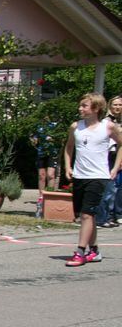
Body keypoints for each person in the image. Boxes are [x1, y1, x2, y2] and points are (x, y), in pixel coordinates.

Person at [63, 94, 122, 267]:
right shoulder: (76, 127)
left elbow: (121, 144)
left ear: (96, 109)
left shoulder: (108, 126)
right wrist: (68, 166)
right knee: (85, 215)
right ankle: (94, 250)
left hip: (98, 176)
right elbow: (68, 147)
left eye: (85, 106)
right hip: (80, 175)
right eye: (80, 105)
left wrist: (116, 166)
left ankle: (80, 252)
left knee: (87, 214)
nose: (80, 109)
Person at [95, 95, 122, 228]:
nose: (117, 107)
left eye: (120, 105)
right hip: (108, 155)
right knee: (108, 188)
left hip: (116, 155)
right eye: (115, 105)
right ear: (110, 106)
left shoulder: (118, 121)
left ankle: (110, 215)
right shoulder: (107, 121)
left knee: (114, 189)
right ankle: (102, 217)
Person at [30, 117, 60, 198]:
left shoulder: (55, 126)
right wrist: (34, 140)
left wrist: (53, 139)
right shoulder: (39, 127)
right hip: (41, 153)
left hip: (52, 152)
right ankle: (41, 197)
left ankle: (50, 196)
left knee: (51, 175)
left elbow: (60, 138)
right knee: (41, 176)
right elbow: (34, 138)